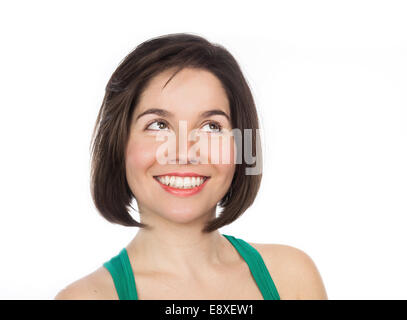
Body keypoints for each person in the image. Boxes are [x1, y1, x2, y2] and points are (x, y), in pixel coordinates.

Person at [55, 33, 327, 300]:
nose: (185, 153)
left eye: (211, 127)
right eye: (158, 125)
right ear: (119, 145)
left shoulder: (292, 279)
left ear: (241, 147)